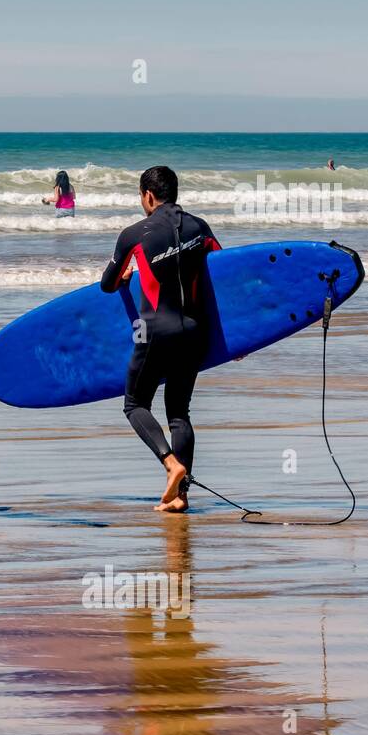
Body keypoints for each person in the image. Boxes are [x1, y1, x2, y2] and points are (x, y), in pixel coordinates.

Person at [99, 166, 221, 513]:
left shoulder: (134, 234)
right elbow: (223, 276)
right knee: (179, 411)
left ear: (148, 196)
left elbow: (107, 285)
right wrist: (237, 338)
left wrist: (124, 274)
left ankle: (171, 464)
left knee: (135, 404)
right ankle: (180, 497)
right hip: (196, 331)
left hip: (155, 331)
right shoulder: (201, 227)